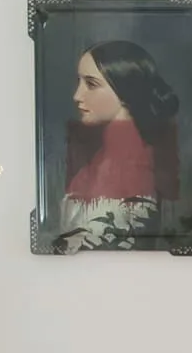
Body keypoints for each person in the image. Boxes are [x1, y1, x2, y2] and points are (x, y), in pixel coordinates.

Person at [60, 40, 180, 251]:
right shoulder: (103, 157)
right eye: (79, 82)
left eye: (91, 84)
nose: (77, 96)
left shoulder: (133, 164)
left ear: (125, 91)